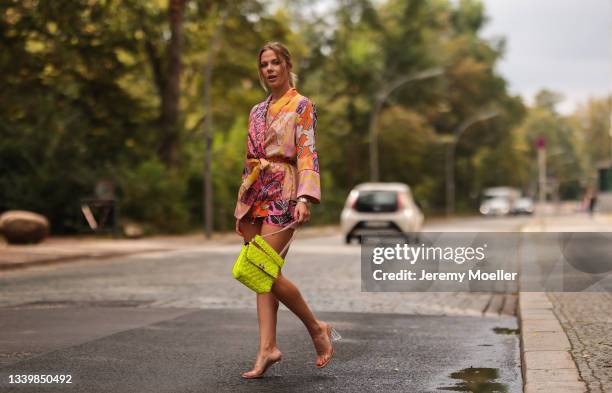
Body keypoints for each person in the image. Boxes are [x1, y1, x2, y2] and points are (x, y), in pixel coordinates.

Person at [233, 42, 339, 379]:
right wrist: (245, 193)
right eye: (263, 64)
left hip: (285, 188)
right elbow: (250, 154)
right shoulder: (256, 111)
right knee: (261, 274)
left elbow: (308, 152)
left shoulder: (302, 105)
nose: (269, 69)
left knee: (261, 264)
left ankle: (316, 327)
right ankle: (267, 348)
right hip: (255, 189)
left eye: (275, 62)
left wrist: (304, 198)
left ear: (287, 65)